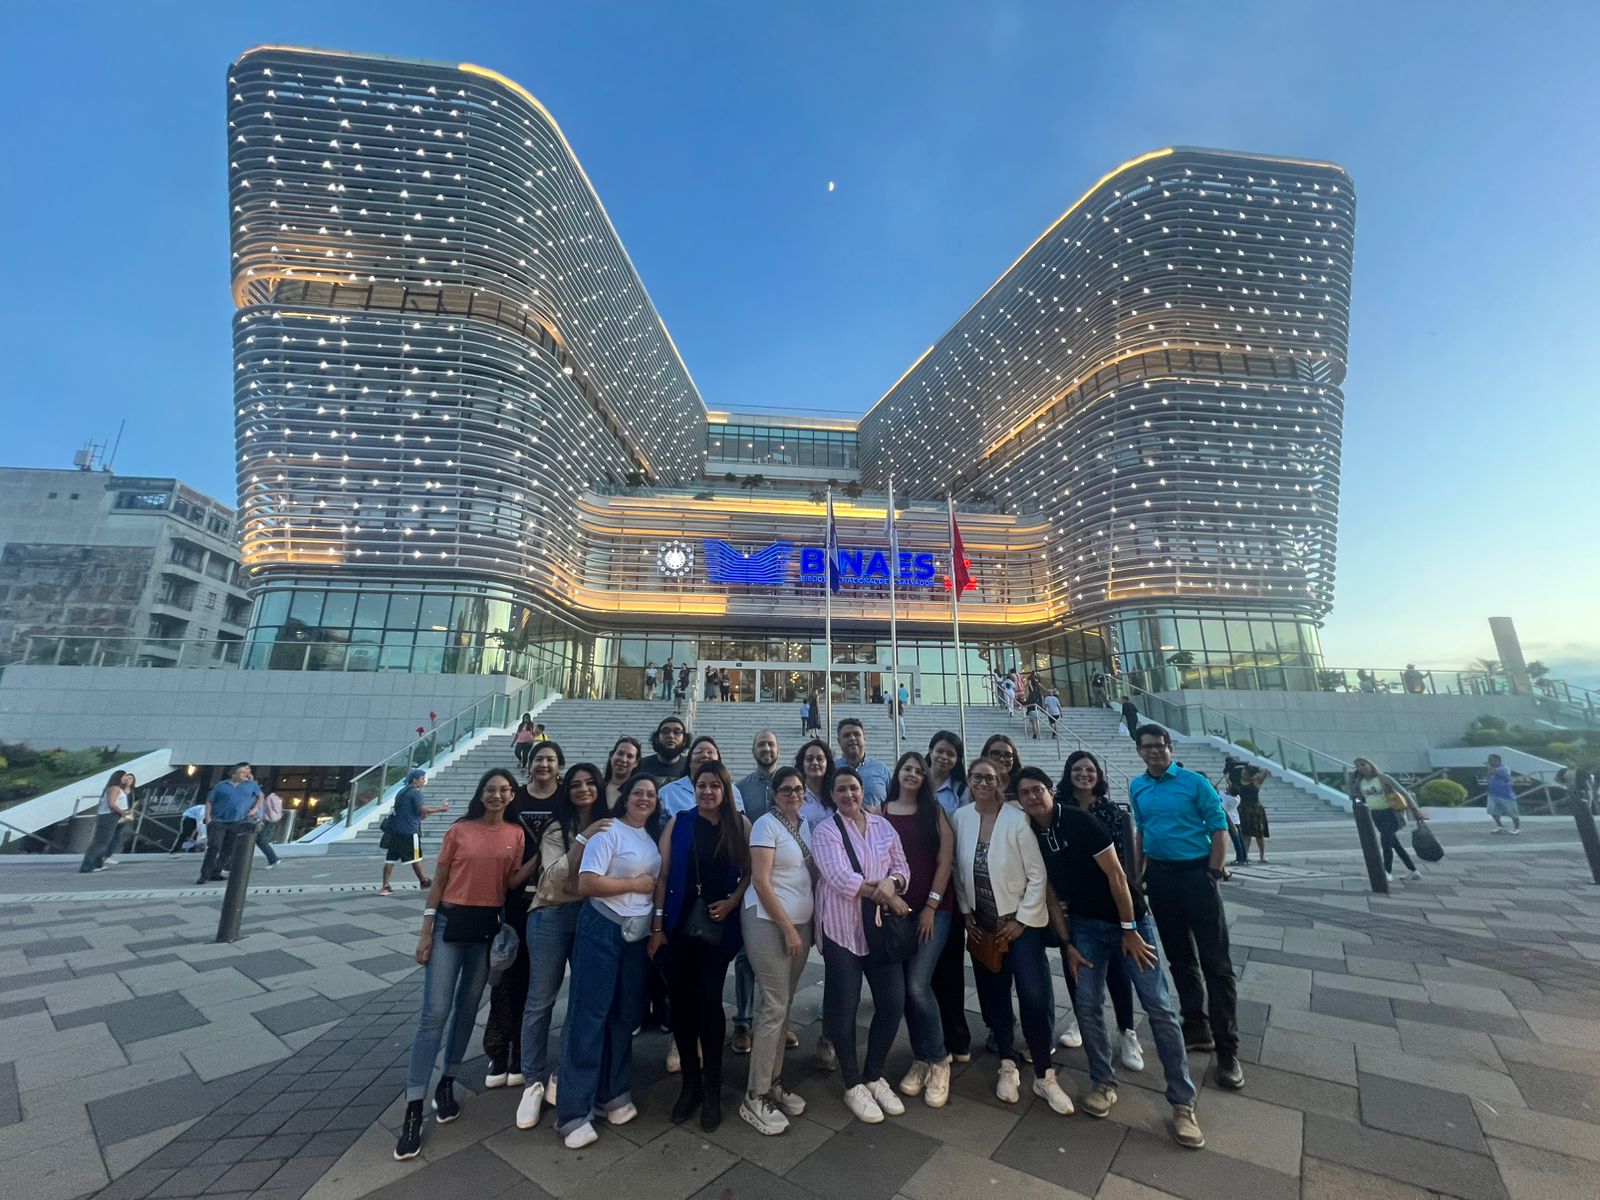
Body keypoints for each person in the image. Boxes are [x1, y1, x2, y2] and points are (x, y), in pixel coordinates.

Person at [1017, 766, 1204, 1148]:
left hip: (1127, 921)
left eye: (1038, 789)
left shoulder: (1080, 822)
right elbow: (1049, 891)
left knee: (1158, 1005)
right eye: (1025, 793)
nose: (1033, 797)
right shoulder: (1030, 832)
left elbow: (1117, 876)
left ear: (1051, 790)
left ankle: (1182, 1103)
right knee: (1086, 1004)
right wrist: (1067, 943)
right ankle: (1103, 1082)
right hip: (1085, 926)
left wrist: (1130, 930)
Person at [394, 769, 529, 1160]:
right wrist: (425, 932)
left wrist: (550, 853)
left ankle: (447, 1080)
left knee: (468, 1008)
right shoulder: (460, 830)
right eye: (490, 789)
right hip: (449, 923)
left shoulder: (516, 835)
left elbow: (511, 883)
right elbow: (438, 881)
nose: (496, 795)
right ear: (480, 793)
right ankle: (414, 1105)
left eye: (503, 790)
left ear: (512, 795)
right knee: (434, 1013)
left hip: (486, 928)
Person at [952, 757, 1073, 1114]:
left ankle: (1044, 1073)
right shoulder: (961, 818)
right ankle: (1007, 1060)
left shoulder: (1017, 819)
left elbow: (1037, 875)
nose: (983, 783)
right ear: (969, 780)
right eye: (977, 777)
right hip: (983, 924)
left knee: (1033, 995)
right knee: (994, 995)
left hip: (1019, 924)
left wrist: (1021, 920)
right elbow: (958, 872)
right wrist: (966, 911)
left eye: (990, 778)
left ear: (1001, 782)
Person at [1129, 724, 1243, 1089]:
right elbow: (1142, 831)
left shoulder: (1195, 783)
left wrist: (1214, 871)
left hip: (1197, 874)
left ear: (1170, 747)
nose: (1153, 752)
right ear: (1139, 751)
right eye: (1146, 747)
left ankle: (1228, 1050)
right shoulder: (1138, 786)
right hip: (1161, 878)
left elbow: (1219, 827)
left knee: (1216, 964)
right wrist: (1138, 875)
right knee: (1179, 958)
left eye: (1159, 746)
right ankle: (1195, 1026)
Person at [552, 774, 662, 1150]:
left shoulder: (650, 837)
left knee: (623, 1015)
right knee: (589, 1014)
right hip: (602, 926)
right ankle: (573, 1111)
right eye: (638, 793)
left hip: (635, 935)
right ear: (624, 798)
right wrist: (634, 885)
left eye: (651, 795)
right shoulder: (609, 830)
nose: (644, 799)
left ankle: (612, 1092)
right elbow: (588, 883)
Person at [650, 760, 752, 1132]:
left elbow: (752, 871)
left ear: (725, 790)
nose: (707, 792)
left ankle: (712, 1089)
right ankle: (689, 1084)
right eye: (701, 786)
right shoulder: (679, 822)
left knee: (708, 1002)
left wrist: (733, 901)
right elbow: (662, 875)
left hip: (717, 928)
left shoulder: (739, 824)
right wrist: (657, 926)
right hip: (679, 924)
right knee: (680, 1004)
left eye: (714, 786)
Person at [811, 766, 913, 1123]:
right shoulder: (826, 830)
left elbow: (902, 866)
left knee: (892, 1002)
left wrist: (893, 884)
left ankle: (873, 1074)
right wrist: (888, 894)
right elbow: (841, 878)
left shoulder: (883, 826)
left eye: (853, 788)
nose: (848, 794)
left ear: (862, 790)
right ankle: (852, 1081)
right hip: (841, 929)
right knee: (845, 1005)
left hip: (879, 929)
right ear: (832, 795)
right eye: (841, 789)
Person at [515, 762, 607, 1129]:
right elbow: (552, 877)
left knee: (582, 999)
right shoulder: (558, 827)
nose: (583, 789)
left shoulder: (609, 824)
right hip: (551, 915)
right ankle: (532, 1080)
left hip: (589, 915)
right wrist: (584, 840)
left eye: (590, 783)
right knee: (540, 1000)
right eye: (576, 784)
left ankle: (563, 1070)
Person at [739, 766, 816, 1135]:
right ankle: (755, 1095)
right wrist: (787, 927)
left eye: (798, 789)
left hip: (799, 924)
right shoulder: (765, 825)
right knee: (773, 1005)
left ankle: (773, 1082)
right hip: (769, 922)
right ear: (774, 793)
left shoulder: (806, 825)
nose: (793, 795)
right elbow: (761, 881)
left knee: (784, 1004)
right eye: (786, 789)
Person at [483, 742, 565, 1088]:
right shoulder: (513, 797)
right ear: (527, 765)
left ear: (560, 766)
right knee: (506, 975)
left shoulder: (566, 798)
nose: (544, 764)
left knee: (537, 981)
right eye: (538, 759)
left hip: (550, 901)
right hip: (513, 899)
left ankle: (522, 1052)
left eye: (550, 759)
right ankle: (498, 1049)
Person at [1054, 752, 1142, 1066]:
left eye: (1090, 769)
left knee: (1117, 967)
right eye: (1077, 769)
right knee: (1077, 964)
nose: (1084, 774)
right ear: (1068, 774)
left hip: (1108, 899)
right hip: (1074, 901)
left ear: (1099, 775)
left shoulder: (1111, 811)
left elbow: (1123, 858)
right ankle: (1083, 1019)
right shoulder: (1058, 808)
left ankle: (1128, 1031)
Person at [881, 752, 955, 1108]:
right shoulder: (882, 812)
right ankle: (921, 1056)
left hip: (933, 910)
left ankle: (939, 1059)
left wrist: (930, 907)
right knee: (905, 991)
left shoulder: (934, 812)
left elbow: (945, 862)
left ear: (925, 778)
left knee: (917, 985)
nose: (912, 774)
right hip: (897, 912)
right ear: (898, 773)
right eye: (906, 769)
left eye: (918, 770)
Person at [732, 730, 783, 1055]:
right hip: (752, 877)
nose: (766, 748)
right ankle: (743, 1021)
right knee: (745, 954)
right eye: (761, 744)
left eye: (770, 744)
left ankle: (776, 1019)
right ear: (753, 750)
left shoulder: (790, 783)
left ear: (779, 749)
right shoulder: (741, 789)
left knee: (780, 951)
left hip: (784, 878)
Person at [924, 730, 972, 1063]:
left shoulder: (960, 791)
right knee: (921, 970)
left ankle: (956, 1035)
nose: (944, 757)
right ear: (930, 751)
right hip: (915, 882)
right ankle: (930, 1036)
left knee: (950, 964)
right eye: (940, 751)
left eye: (951, 754)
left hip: (950, 884)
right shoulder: (915, 783)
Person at [1349, 757, 1426, 882]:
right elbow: (1357, 797)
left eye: (1363, 764)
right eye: (1357, 766)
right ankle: (1413, 870)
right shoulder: (1360, 782)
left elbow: (1404, 793)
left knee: (1385, 843)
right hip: (1375, 815)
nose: (1361, 768)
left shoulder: (1383, 778)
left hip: (1390, 814)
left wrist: (1416, 810)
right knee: (1394, 844)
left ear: (1370, 765)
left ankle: (1387, 872)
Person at [382, 768, 451, 896]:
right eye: (422, 779)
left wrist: (421, 816)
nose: (424, 781)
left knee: (390, 859)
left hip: (395, 831)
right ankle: (423, 881)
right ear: (414, 780)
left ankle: (385, 886)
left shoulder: (401, 792)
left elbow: (410, 812)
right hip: (410, 831)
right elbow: (422, 809)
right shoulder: (416, 793)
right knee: (416, 858)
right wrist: (441, 809)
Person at [197, 763, 264, 886]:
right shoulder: (221, 785)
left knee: (228, 848)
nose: (245, 774)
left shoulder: (251, 785)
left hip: (237, 821)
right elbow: (210, 801)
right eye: (242, 772)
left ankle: (216, 871)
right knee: (214, 846)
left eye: (246, 772)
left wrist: (255, 809)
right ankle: (204, 874)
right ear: (234, 774)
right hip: (218, 820)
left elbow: (261, 796)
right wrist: (208, 817)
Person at [659, 736, 746, 819]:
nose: (705, 755)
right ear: (689, 761)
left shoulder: (732, 790)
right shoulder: (667, 792)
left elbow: (738, 821)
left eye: (710, 752)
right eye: (699, 752)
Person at [80, 770, 131, 873]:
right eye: (125, 776)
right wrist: (122, 812)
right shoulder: (114, 788)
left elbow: (126, 794)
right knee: (100, 841)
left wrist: (127, 785)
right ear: (119, 777)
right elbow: (111, 804)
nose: (126, 778)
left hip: (113, 816)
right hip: (109, 816)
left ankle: (97, 864)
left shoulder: (118, 788)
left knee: (106, 841)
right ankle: (87, 866)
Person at [837, 717, 891, 808]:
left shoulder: (882, 769)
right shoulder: (832, 769)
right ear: (839, 741)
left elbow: (893, 801)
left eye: (856, 734)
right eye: (847, 735)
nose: (852, 738)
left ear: (864, 738)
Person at [638, 717, 690, 788]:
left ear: (684, 740)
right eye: (665, 732)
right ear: (656, 738)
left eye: (677, 732)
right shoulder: (641, 765)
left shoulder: (690, 766)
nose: (671, 736)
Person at [1235, 765, 1272, 863]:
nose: (1242, 772)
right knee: (1246, 834)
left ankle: (1262, 855)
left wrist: (1256, 768)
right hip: (1244, 809)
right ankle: (1245, 855)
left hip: (1254, 810)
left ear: (1248, 773)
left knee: (1259, 834)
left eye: (1244, 771)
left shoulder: (1256, 781)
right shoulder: (1239, 780)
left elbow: (1265, 771)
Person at [794, 739, 834, 829]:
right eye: (809, 759)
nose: (815, 763)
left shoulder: (835, 792)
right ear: (802, 763)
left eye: (820, 759)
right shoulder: (795, 795)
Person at [602, 735, 642, 811]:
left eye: (630, 756)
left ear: (636, 763)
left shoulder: (640, 792)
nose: (623, 760)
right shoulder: (598, 787)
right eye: (620, 753)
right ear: (611, 756)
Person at [980, 734, 1023, 802]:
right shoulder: (976, 785)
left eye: (1007, 755)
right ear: (985, 755)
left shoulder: (1022, 785)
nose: (1002, 759)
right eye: (995, 753)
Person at [1486, 753, 1521, 834]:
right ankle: (1500, 826)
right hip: (1493, 794)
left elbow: (1499, 772)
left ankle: (1517, 829)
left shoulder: (1504, 768)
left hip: (1506, 795)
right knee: (1493, 811)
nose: (1490, 762)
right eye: (1490, 761)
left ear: (1498, 760)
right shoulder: (1492, 769)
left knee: (1513, 813)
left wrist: (1490, 768)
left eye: (1492, 760)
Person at [252, 782, 283, 869]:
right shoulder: (274, 797)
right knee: (259, 840)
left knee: (260, 840)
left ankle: (273, 859)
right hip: (270, 820)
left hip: (267, 821)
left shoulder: (268, 798)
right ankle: (273, 859)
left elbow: (264, 808)